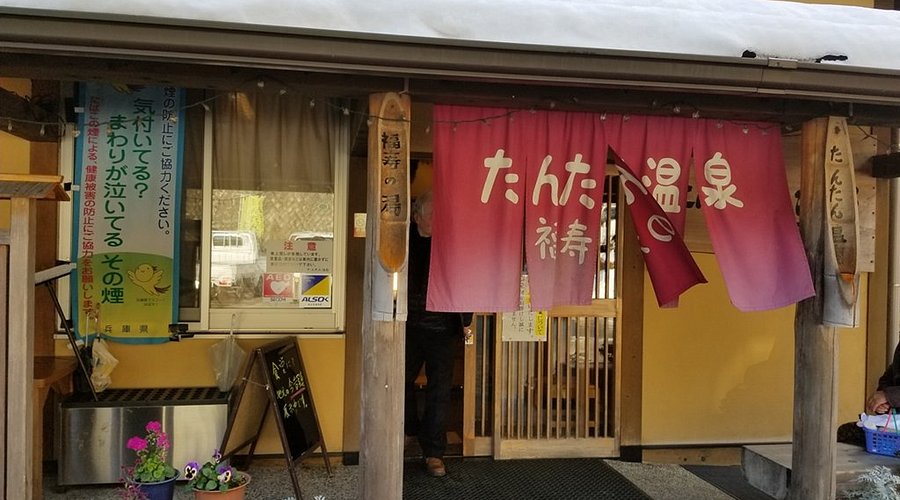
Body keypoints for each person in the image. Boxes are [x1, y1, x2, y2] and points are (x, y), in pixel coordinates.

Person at [404, 190, 472, 478]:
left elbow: (466, 279)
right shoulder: (403, 241)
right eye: (433, 215)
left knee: (440, 392)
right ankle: (407, 431)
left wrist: (467, 321)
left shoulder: (452, 242)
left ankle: (434, 452)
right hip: (406, 327)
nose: (439, 220)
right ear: (417, 217)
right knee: (398, 382)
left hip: (442, 330)